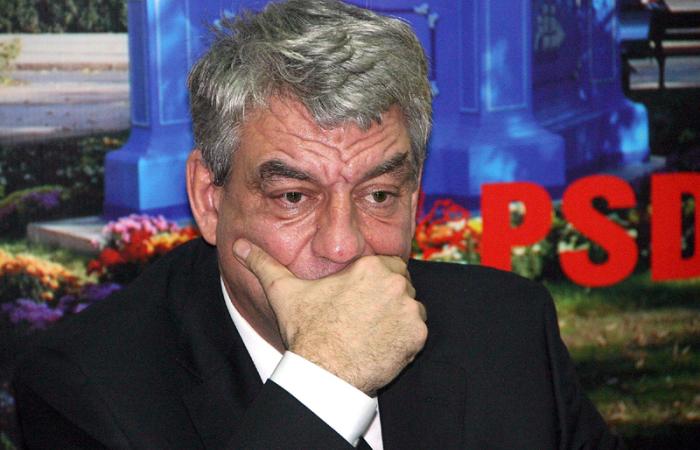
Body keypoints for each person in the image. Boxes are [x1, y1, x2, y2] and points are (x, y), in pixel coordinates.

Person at [13, 1, 624, 448]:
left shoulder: (507, 331)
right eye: (293, 197)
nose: (343, 246)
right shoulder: (86, 388)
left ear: (415, 198)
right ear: (208, 198)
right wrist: (328, 381)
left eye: (379, 194)